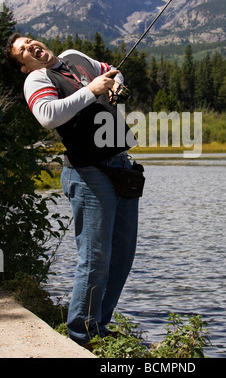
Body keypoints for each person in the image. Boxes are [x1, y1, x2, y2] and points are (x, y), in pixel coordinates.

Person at [5, 33, 140, 347]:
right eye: (22, 51)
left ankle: (100, 328)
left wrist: (116, 82)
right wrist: (92, 90)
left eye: (29, 41)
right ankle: (81, 335)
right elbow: (48, 116)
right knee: (95, 258)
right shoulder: (37, 79)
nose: (30, 47)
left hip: (120, 164)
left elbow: (110, 69)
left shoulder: (74, 58)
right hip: (87, 171)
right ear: (24, 66)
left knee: (122, 256)